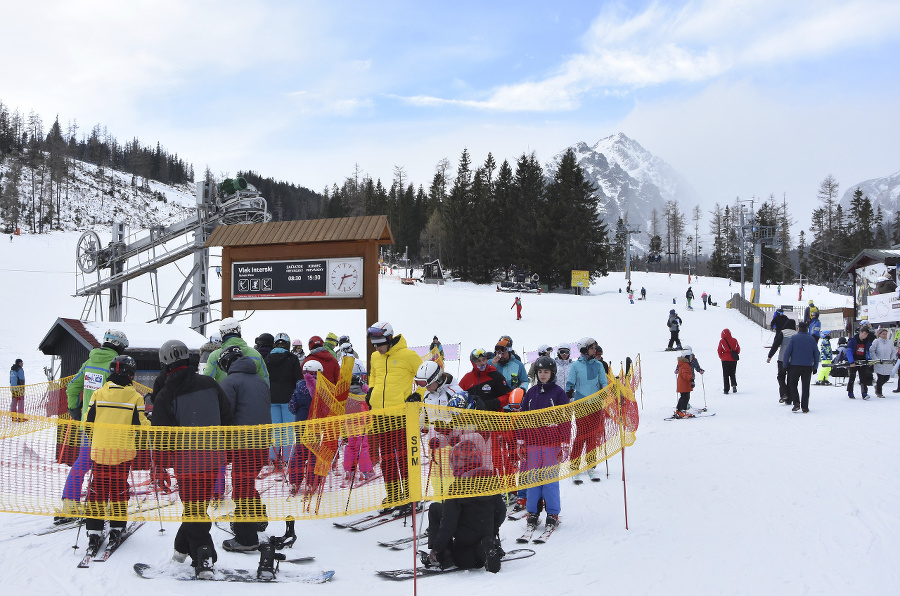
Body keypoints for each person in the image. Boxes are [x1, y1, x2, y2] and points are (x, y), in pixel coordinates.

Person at [152, 339, 234, 578]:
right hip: (213, 459)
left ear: (165, 365)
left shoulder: (166, 396)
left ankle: (204, 554)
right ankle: (181, 548)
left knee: (193, 508)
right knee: (196, 507)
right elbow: (227, 417)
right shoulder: (210, 383)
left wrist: (161, 465)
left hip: (186, 463)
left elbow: (161, 438)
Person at [57, 329, 129, 522]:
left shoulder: (89, 363)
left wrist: (74, 409)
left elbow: (72, 386)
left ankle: (70, 503)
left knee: (82, 463)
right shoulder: (116, 365)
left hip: (88, 426)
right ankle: (103, 505)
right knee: (109, 465)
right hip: (109, 427)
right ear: (119, 345)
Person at [83, 355, 149, 552]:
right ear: (130, 375)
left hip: (100, 450)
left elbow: (88, 422)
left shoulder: (98, 394)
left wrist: (97, 438)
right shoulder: (136, 397)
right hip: (122, 452)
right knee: (119, 488)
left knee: (98, 490)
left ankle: (94, 532)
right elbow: (141, 427)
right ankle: (116, 528)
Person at [217, 346, 272, 552]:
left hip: (243, 443)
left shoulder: (230, 382)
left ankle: (246, 538)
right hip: (262, 442)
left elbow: (226, 415)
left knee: (241, 487)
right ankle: (256, 519)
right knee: (247, 482)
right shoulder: (260, 380)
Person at [423, 439, 506, 573]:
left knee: (463, 559)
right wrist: (492, 530)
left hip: (465, 537)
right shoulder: (491, 480)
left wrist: (437, 547)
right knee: (437, 509)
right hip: (486, 531)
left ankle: (444, 554)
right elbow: (501, 511)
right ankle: (487, 546)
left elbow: (448, 523)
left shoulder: (456, 487)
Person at [366, 321, 422, 513]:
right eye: (374, 345)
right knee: (387, 458)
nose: (377, 348)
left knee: (404, 458)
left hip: (401, 414)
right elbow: (373, 376)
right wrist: (371, 390)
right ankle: (393, 494)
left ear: (390, 339)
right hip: (380, 415)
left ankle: (411, 495)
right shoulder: (375, 357)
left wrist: (418, 395)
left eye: (380, 344)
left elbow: (426, 376)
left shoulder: (409, 356)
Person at [520, 356, 569, 532]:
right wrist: (521, 441)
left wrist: (564, 442)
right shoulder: (531, 393)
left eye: (546, 372)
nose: (542, 375)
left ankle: (553, 513)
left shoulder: (558, 393)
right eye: (540, 372)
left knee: (549, 478)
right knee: (533, 478)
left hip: (551, 443)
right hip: (533, 443)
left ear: (552, 373)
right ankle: (532, 512)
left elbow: (565, 419)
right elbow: (522, 418)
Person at [414, 360, 465, 497]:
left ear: (437, 378)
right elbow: (425, 414)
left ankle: (451, 505)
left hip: (453, 444)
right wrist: (418, 426)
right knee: (436, 479)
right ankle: (439, 503)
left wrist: (452, 430)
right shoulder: (427, 394)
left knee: (451, 478)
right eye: (421, 384)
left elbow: (465, 417)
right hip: (435, 444)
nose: (426, 387)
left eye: (427, 384)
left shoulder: (455, 392)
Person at [565, 337, 608, 483]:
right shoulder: (576, 366)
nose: (595, 350)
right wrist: (569, 390)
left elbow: (603, 381)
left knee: (593, 435)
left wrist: (604, 391)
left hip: (596, 404)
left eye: (595, 348)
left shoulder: (599, 365)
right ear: (584, 349)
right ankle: (575, 465)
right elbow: (570, 381)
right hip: (581, 403)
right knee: (581, 434)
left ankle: (591, 464)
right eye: (592, 348)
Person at [265, 332, 303, 467]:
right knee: (288, 430)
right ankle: (288, 459)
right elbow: (299, 379)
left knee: (275, 429)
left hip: (272, 398)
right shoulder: (292, 358)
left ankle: (272, 457)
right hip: (289, 399)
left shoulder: (267, 358)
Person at [204, 318, 269, 386]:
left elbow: (207, 381)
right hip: (251, 395)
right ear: (239, 330)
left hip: (224, 394)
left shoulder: (214, 356)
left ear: (221, 333)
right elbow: (264, 379)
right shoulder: (256, 355)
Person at [287, 360, 320, 494]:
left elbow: (292, 407)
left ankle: (295, 481)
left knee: (299, 453)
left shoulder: (299, 388)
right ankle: (312, 483)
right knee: (313, 454)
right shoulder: (321, 388)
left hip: (300, 425)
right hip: (315, 426)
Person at [342, 360, 374, 487]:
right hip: (362, 428)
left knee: (350, 447)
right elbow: (368, 411)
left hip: (349, 428)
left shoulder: (347, 397)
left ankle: (348, 471)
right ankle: (365, 472)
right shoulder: (364, 396)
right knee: (363, 447)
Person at [783, 321, 818, 413]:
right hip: (807, 366)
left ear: (798, 328)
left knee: (793, 384)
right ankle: (805, 407)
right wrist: (815, 366)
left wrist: (785, 365)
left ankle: (796, 403)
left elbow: (787, 352)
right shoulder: (811, 339)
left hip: (795, 366)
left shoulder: (794, 338)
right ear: (807, 329)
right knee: (805, 386)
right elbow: (816, 353)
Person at [768, 319, 797, 404]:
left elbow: (776, 345)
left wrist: (770, 356)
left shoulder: (783, 332)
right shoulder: (796, 334)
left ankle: (784, 393)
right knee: (790, 379)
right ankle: (789, 399)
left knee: (781, 376)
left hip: (782, 359)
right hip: (793, 360)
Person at [846, 325, 874, 399]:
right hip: (854, 361)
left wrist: (869, 360)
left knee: (863, 378)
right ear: (860, 333)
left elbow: (867, 352)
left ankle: (864, 393)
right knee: (852, 377)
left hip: (862, 361)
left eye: (866, 334)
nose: (865, 336)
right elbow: (848, 351)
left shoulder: (866, 342)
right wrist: (851, 362)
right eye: (864, 334)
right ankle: (850, 392)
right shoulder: (853, 340)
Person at [871, 327, 895, 398]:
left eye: (886, 334)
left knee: (886, 378)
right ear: (879, 334)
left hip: (887, 363)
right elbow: (872, 350)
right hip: (879, 362)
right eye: (883, 334)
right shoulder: (876, 341)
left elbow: (893, 351)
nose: (885, 335)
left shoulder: (890, 342)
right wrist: (876, 359)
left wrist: (892, 358)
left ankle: (877, 386)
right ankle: (879, 392)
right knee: (880, 377)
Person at [674, 348, 695, 418]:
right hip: (684, 384)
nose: (691, 358)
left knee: (683, 397)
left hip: (683, 384)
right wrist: (691, 379)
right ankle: (682, 410)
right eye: (690, 357)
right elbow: (684, 374)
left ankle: (678, 409)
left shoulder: (683, 364)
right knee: (686, 398)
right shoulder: (685, 365)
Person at [717, 329, 740, 394]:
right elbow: (738, 350)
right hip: (733, 359)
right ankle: (734, 385)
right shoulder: (734, 340)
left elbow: (719, 350)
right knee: (733, 373)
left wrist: (721, 357)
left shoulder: (722, 341)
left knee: (726, 374)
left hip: (725, 360)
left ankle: (726, 389)